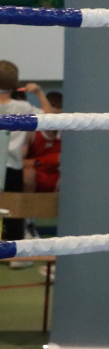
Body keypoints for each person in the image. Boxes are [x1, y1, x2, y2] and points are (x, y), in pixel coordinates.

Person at [0, 61, 56, 243]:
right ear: (16, 85)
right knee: (13, 211)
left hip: (11, 167)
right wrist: (38, 92)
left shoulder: (22, 107)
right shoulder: (22, 108)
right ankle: (15, 253)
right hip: (12, 168)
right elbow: (50, 117)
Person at [22, 92, 63, 194]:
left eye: (59, 119)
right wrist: (44, 161)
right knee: (28, 174)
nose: (56, 123)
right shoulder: (32, 133)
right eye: (53, 118)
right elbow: (19, 162)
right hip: (36, 174)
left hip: (56, 176)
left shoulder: (66, 135)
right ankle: (27, 205)